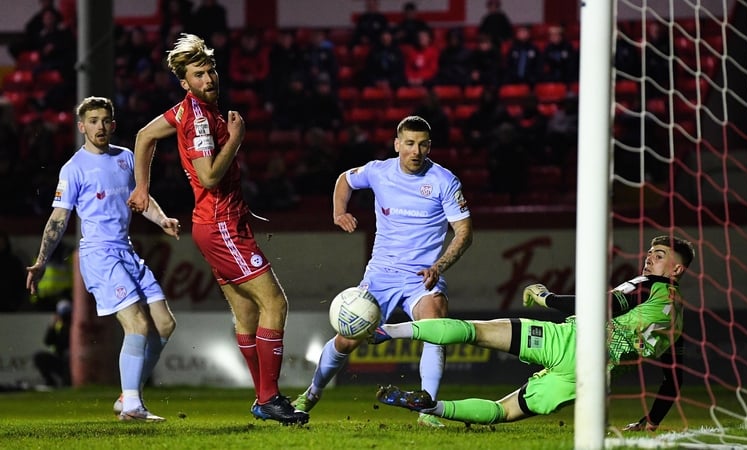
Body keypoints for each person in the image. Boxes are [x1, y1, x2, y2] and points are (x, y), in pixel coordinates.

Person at [126, 34, 309, 425]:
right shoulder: (199, 122)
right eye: (199, 74)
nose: (209, 78)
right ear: (185, 82)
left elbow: (143, 137)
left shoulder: (183, 111)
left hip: (217, 224)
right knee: (275, 304)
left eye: (210, 70)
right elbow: (209, 177)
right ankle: (270, 397)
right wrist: (237, 140)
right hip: (221, 224)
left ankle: (264, 399)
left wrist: (142, 186)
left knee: (245, 314)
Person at [373, 235, 694, 430]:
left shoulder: (650, 285)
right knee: (502, 411)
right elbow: (673, 378)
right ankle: (432, 407)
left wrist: (548, 298)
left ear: (677, 270)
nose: (649, 258)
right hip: (589, 379)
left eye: (660, 255)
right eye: (651, 253)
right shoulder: (677, 319)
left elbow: (604, 305)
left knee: (474, 332)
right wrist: (652, 421)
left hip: (570, 342)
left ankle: (388, 331)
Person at [291, 116, 474, 429]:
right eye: (409, 143)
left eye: (423, 144)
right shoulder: (378, 171)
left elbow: (464, 232)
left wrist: (439, 266)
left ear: (430, 146)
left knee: (436, 323)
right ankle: (311, 393)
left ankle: (426, 408)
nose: (416, 151)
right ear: (397, 144)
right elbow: (344, 180)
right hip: (382, 275)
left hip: (421, 278)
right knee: (346, 340)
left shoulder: (444, 180)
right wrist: (339, 211)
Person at [26, 96, 180, 421]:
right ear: (81, 126)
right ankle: (133, 407)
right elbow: (58, 219)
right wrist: (41, 260)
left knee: (165, 324)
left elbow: (141, 199)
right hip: (99, 255)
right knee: (137, 324)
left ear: (113, 124)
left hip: (126, 251)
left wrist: (162, 220)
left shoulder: (125, 158)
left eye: (105, 120)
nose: (99, 126)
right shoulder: (74, 168)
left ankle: (128, 394)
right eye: (92, 120)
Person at [33, 299, 72, 388]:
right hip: (60, 359)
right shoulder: (57, 326)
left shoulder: (75, 326)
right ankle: (50, 382)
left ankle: (67, 383)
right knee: (38, 356)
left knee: (68, 354)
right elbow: (47, 341)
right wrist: (52, 327)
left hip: (72, 360)